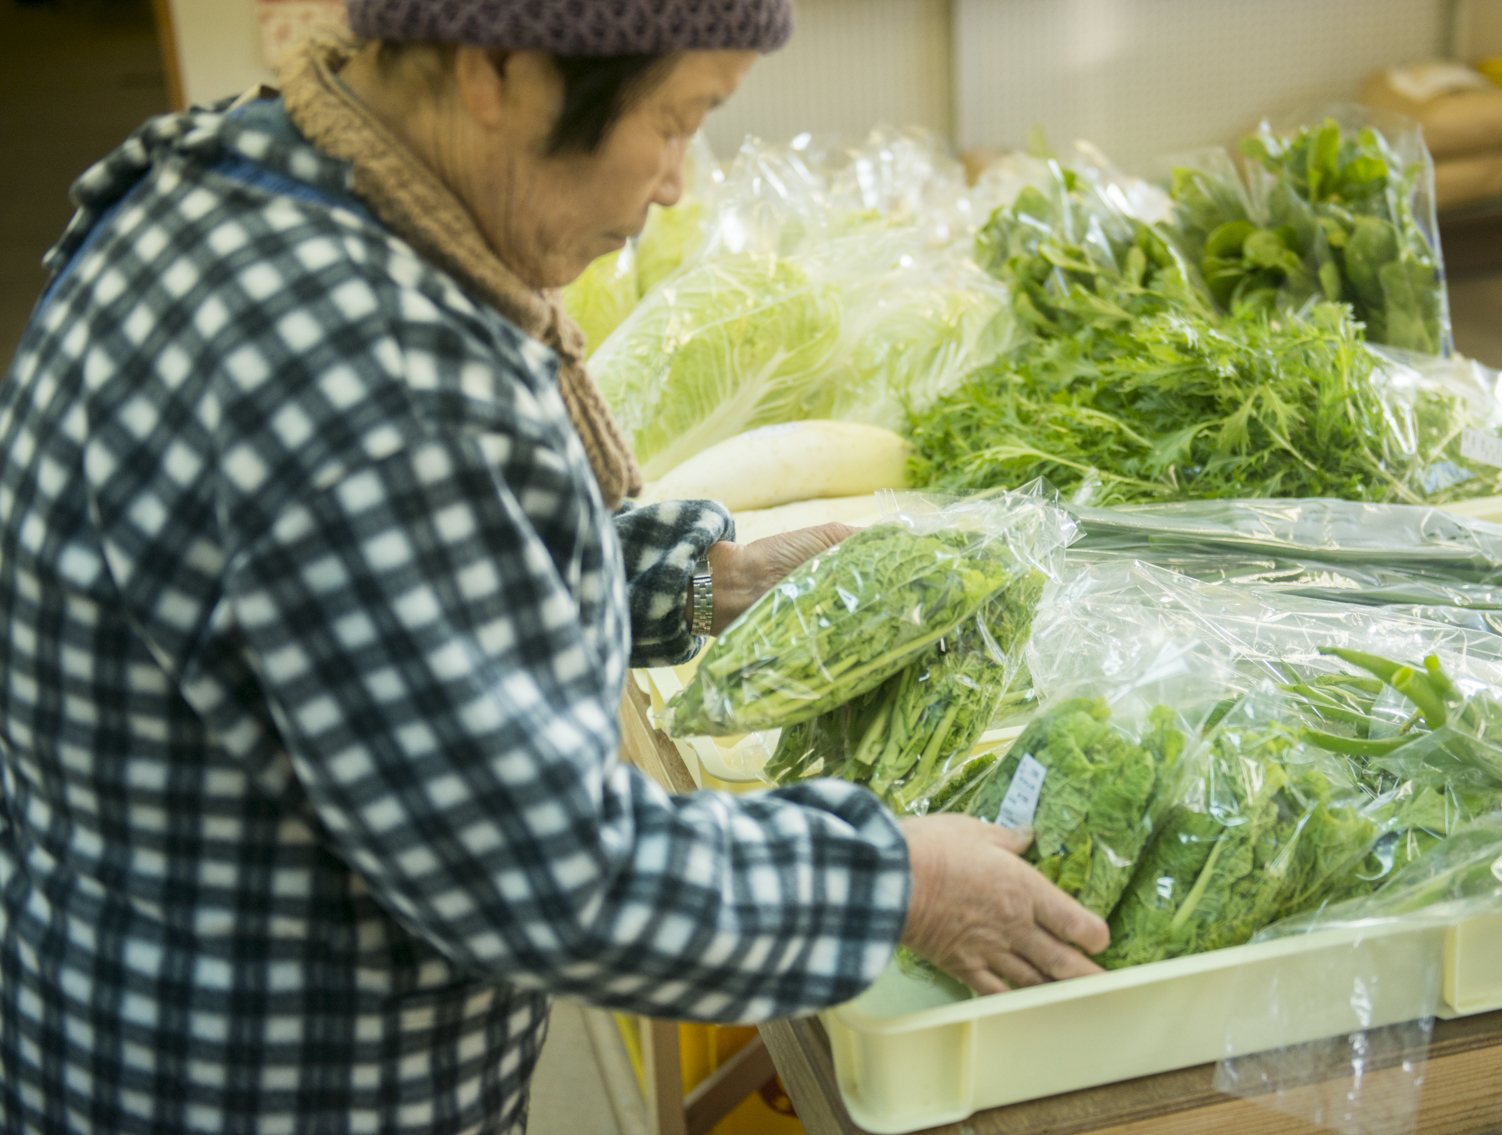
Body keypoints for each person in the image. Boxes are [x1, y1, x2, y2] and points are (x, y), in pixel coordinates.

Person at [0, 1, 1109, 1130]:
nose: (676, 182)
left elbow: (421, 593)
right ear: (500, 70)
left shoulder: (265, 176)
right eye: (677, 120)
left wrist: (710, 579)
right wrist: (900, 884)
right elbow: (550, 875)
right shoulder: (363, 377)